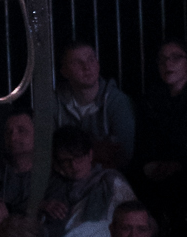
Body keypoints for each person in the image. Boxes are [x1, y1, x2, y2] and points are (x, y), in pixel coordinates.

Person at [135, 37, 187, 200]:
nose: (168, 63)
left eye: (176, 58)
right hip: (156, 177)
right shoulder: (150, 102)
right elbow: (143, 144)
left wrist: (180, 165)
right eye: (163, 59)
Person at [47, 126, 137, 237]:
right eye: (67, 161)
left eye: (79, 158)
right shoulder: (56, 185)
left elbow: (141, 219)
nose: (74, 165)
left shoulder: (109, 180)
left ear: (90, 155)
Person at [56, 39, 135, 167]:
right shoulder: (55, 103)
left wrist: (69, 152)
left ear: (98, 64)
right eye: (76, 63)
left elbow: (123, 154)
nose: (86, 67)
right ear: (64, 71)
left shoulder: (117, 101)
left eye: (91, 60)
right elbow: (48, 151)